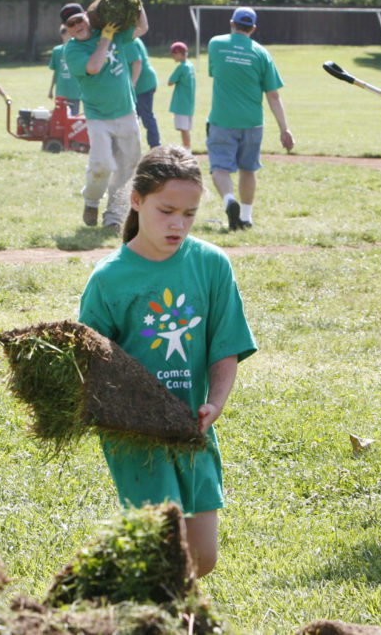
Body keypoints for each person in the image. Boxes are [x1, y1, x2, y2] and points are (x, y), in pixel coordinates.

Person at [78, 145, 256, 579]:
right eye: (167, 211)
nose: (178, 224)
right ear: (137, 200)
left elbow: (226, 346)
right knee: (165, 554)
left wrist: (215, 404)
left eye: (190, 214)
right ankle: (155, 610)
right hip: (135, 436)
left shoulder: (211, 264)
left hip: (193, 427)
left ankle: (145, 598)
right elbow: (88, 363)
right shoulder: (108, 278)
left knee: (203, 557)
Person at [205, 6, 293, 231]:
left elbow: (214, 72)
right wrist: (284, 128)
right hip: (253, 122)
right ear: (253, 28)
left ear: (231, 23)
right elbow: (273, 95)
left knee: (219, 167)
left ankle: (229, 200)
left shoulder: (216, 44)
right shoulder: (261, 54)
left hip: (222, 120)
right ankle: (245, 217)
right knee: (248, 170)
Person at [63, 5, 149, 229]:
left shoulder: (112, 32)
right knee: (101, 165)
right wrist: (105, 40)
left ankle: (114, 217)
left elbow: (142, 27)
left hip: (126, 111)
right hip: (98, 116)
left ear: (87, 17)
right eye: (71, 24)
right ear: (67, 29)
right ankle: (91, 201)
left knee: (127, 166)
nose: (77, 26)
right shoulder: (72, 50)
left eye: (79, 20)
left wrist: (136, 3)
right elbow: (93, 67)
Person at [129, 36, 161, 148]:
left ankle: (155, 146)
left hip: (143, 85)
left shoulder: (129, 41)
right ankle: (134, 146)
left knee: (146, 116)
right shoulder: (132, 38)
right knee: (135, 117)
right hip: (144, 83)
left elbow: (137, 62)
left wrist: (133, 84)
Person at [48, 23, 82, 116]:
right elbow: (56, 72)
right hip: (61, 92)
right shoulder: (57, 51)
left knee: (74, 119)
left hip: (74, 92)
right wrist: (51, 89)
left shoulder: (78, 50)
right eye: (67, 33)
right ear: (62, 35)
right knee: (61, 118)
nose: (70, 35)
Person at [167, 42, 196, 149]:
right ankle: (188, 149)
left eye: (174, 54)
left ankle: (187, 150)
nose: (173, 56)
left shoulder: (181, 67)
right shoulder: (190, 65)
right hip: (189, 102)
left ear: (180, 53)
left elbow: (170, 82)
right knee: (186, 129)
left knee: (184, 130)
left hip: (181, 103)